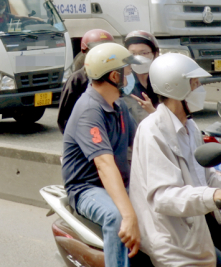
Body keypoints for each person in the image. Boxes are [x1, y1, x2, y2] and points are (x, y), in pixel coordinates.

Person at [129, 53, 221, 267]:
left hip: (199, 224)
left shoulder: (190, 127)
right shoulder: (152, 131)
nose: (201, 89)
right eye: (195, 84)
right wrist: (214, 194)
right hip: (173, 237)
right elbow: (163, 196)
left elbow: (207, 180)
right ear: (176, 87)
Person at [61, 43, 145, 267]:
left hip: (119, 182)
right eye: (127, 71)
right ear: (114, 76)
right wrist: (128, 215)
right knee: (117, 217)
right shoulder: (90, 110)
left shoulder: (118, 107)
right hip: (88, 188)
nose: (130, 76)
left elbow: (141, 143)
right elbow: (105, 166)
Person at [57, 29, 116, 132]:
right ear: (85, 52)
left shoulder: (116, 77)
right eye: (96, 51)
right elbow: (64, 117)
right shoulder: (77, 80)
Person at [123, 31, 161, 124]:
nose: (138, 58)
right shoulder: (124, 85)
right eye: (132, 54)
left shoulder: (162, 82)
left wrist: (153, 112)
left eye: (144, 53)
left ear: (155, 54)